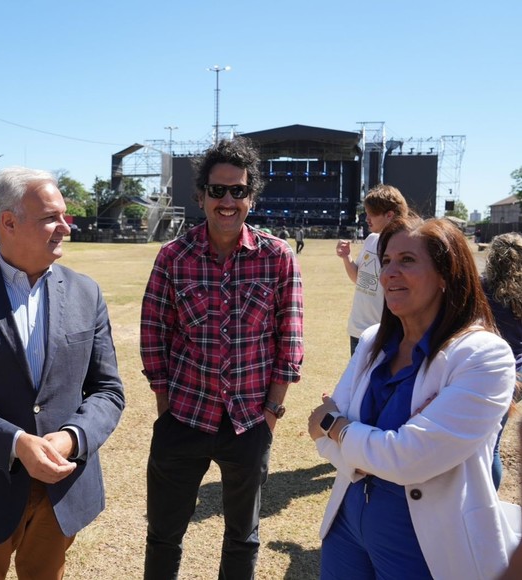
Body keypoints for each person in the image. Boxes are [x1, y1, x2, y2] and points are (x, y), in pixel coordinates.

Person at [0, 166, 125, 579]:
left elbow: (108, 390)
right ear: (9, 223)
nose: (65, 227)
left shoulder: (86, 292)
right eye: (51, 217)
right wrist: (16, 444)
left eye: (64, 216)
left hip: (61, 488)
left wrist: (72, 438)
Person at [308, 216, 520, 579]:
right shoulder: (372, 340)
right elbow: (321, 440)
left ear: (446, 275)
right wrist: (375, 448)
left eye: (407, 260)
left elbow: (409, 459)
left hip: (423, 544)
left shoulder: (484, 355)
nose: (390, 272)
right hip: (346, 528)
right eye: (386, 260)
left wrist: (337, 427)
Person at [141, 137, 304, 580]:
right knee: (163, 535)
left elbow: (289, 339)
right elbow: (154, 335)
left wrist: (270, 414)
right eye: (217, 190)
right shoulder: (173, 257)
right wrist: (165, 409)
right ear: (201, 196)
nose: (227, 201)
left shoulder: (277, 257)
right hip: (184, 417)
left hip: (249, 422)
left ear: (251, 197)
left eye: (238, 191)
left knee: (242, 537)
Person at [336, 185, 410, 356]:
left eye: (372, 214)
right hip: (357, 330)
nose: (367, 218)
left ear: (389, 215)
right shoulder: (371, 240)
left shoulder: (404, 248)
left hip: (383, 334)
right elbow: (359, 279)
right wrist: (346, 257)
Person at [481, 232, 522, 489]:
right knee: (493, 442)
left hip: (488, 372)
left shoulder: (480, 287)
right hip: (517, 376)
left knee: (484, 445)